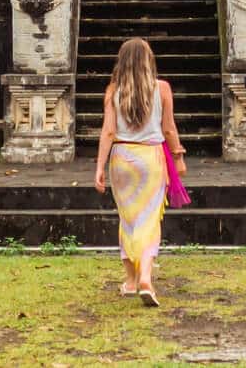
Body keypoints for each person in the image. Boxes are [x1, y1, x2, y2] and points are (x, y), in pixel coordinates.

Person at [92, 36, 184, 306]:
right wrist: (178, 156)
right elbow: (168, 128)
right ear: (148, 61)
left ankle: (131, 281)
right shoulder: (162, 88)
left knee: (129, 219)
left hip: (121, 158)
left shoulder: (113, 90)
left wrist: (99, 166)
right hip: (151, 158)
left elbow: (108, 131)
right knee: (149, 219)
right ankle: (145, 276)